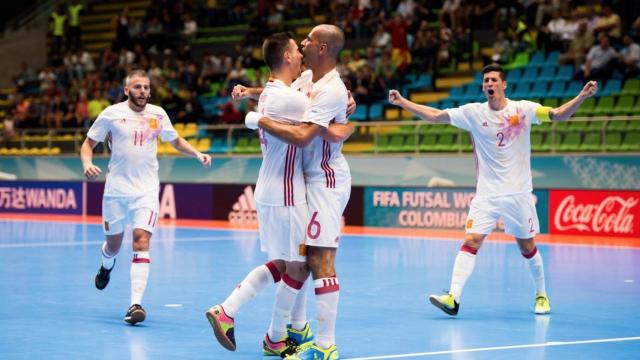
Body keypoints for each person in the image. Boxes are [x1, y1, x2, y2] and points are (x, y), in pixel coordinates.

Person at [388, 63, 598, 317]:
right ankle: (453, 297)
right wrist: (403, 103)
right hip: (486, 194)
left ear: (504, 84)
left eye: (494, 80)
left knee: (527, 246)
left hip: (518, 193)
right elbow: (435, 116)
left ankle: (541, 295)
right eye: (486, 80)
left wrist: (582, 97)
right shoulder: (473, 113)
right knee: (471, 240)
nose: (489, 84)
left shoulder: (523, 110)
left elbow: (558, 115)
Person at [242, 24, 353, 360]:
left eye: (308, 40)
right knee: (301, 258)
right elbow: (281, 92)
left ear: (321, 48)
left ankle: (325, 347)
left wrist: (257, 120)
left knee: (320, 259)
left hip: (325, 181)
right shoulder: (309, 79)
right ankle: (296, 329)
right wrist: (250, 91)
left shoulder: (332, 89)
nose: (303, 43)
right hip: (308, 179)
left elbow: (304, 136)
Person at [205, 32, 314, 357]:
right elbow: (322, 115)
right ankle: (274, 335)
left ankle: (230, 311)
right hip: (286, 191)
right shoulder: (289, 99)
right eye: (296, 51)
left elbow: (300, 86)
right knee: (299, 266)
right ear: (285, 57)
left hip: (270, 187)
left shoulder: (271, 94)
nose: (300, 57)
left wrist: (251, 103)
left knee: (283, 263)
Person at [80, 69, 211, 325]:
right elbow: (88, 144)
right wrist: (87, 163)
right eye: (137, 87)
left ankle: (135, 304)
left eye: (146, 87)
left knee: (141, 241)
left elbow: (175, 141)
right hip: (116, 191)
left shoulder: (158, 114)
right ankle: (106, 265)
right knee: (113, 246)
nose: (142, 91)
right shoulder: (111, 114)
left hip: (146, 191)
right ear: (127, 90)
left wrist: (197, 153)